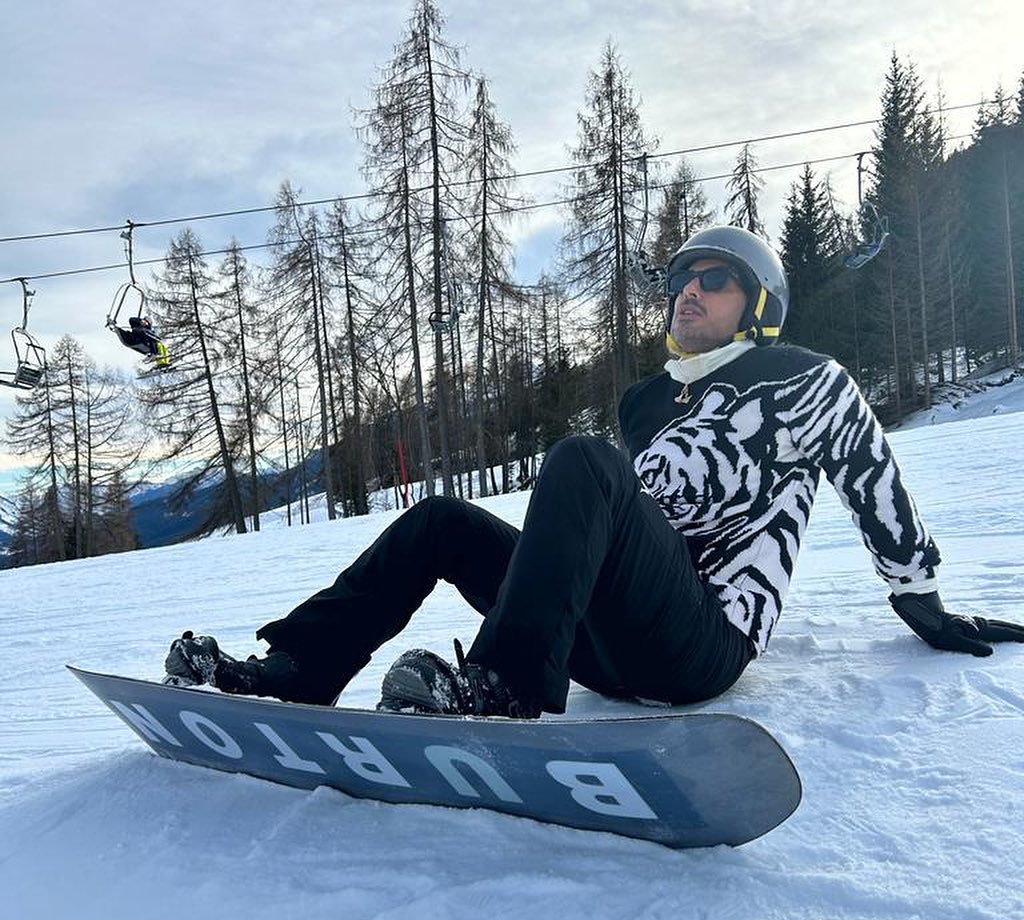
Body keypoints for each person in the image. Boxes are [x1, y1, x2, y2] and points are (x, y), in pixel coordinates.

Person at [164, 225, 1024, 716]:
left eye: (715, 281)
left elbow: (874, 481)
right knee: (441, 522)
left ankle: (502, 682)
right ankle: (293, 674)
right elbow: (608, 528)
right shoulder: (647, 403)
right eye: (681, 279)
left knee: (580, 462)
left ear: (758, 304)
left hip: (701, 646)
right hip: (604, 640)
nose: (688, 291)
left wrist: (923, 604)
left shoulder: (802, 380)